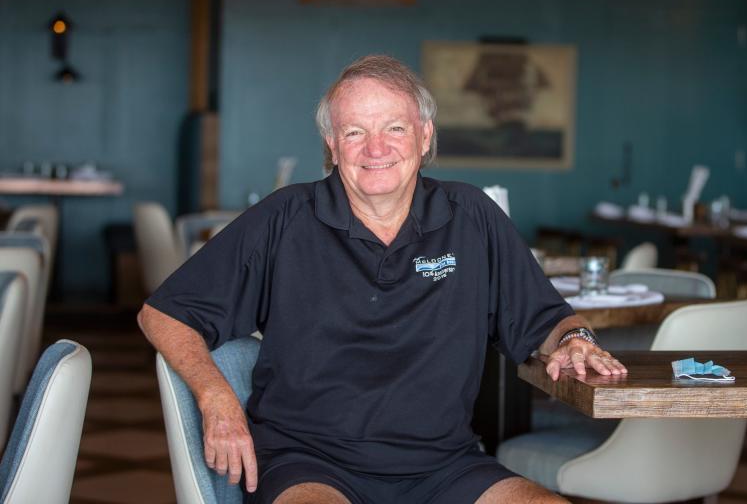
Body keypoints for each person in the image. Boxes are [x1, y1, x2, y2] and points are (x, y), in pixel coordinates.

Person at [139, 55, 626, 504]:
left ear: (425, 136)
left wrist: (577, 339)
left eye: (395, 127)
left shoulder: (471, 215)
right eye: (354, 132)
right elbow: (162, 314)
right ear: (332, 144)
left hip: (446, 464)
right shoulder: (284, 218)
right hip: (307, 463)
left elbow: (547, 320)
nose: (376, 148)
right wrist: (217, 395)